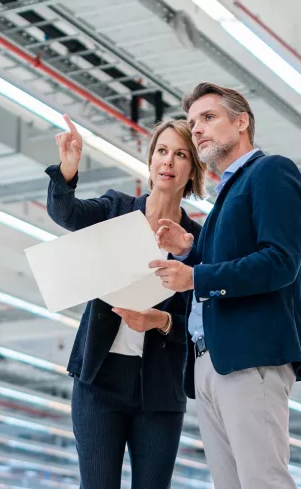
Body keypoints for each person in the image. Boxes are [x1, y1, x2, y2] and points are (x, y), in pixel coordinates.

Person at [151, 82, 301, 489]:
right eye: (192, 121)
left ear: (241, 122)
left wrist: (196, 276)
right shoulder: (226, 194)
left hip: (248, 356)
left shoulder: (271, 171)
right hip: (210, 360)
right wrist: (190, 250)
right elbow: (223, 261)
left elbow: (280, 262)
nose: (197, 129)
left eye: (208, 118)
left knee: (263, 481)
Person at [46, 114, 206, 489]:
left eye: (181, 154)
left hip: (160, 387)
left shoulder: (198, 241)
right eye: (162, 151)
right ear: (150, 162)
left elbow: (206, 323)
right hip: (99, 381)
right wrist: (67, 171)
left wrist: (162, 322)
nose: (168, 161)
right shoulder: (116, 209)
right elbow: (65, 214)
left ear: (192, 170)